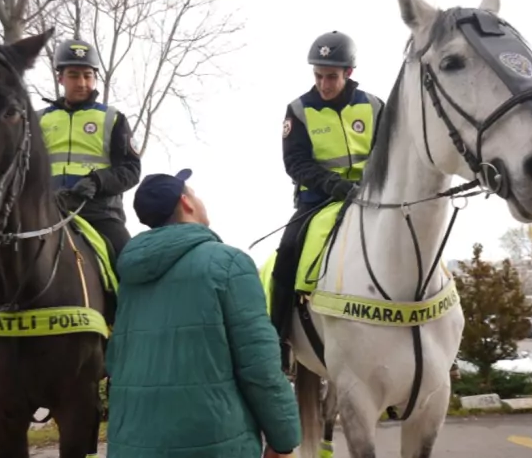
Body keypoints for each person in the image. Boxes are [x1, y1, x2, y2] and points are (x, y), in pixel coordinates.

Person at [105, 169, 301, 458]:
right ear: (187, 203)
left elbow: (117, 363)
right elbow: (259, 365)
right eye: (194, 193)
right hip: (216, 445)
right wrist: (283, 438)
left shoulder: (131, 277)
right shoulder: (228, 263)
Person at [271, 30, 385, 373]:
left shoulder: (376, 106)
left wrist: (371, 184)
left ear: (348, 72)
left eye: (331, 77)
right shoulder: (299, 110)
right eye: (318, 76)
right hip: (317, 200)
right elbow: (296, 163)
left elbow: (390, 153)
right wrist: (333, 185)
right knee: (288, 253)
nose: (324, 84)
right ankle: (277, 341)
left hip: (373, 199)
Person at [39, 38, 141, 258]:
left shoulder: (113, 118)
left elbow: (131, 171)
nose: (82, 83)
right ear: (60, 78)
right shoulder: (39, 120)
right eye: (74, 75)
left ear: (95, 78)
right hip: (44, 210)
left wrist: (97, 181)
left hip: (99, 212)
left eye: (88, 75)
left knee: (132, 263)